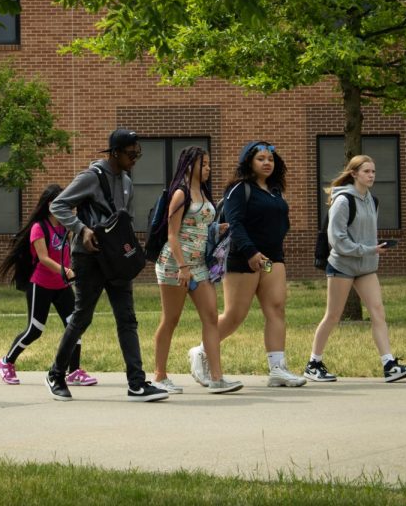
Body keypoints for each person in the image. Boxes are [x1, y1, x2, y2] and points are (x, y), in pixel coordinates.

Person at [45, 129, 168, 402]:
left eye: (138, 153)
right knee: (81, 318)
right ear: (115, 153)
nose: (136, 158)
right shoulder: (91, 177)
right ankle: (56, 374)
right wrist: (81, 229)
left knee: (127, 319)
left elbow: (125, 220)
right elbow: (59, 206)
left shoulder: (126, 181)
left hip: (115, 260)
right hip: (88, 259)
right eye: (131, 153)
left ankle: (137, 383)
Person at [189, 141, 307, 388]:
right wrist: (251, 252)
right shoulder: (239, 189)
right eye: (261, 159)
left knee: (276, 308)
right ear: (249, 162)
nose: (267, 163)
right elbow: (235, 224)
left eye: (270, 159)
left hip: (271, 260)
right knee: (235, 316)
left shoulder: (275, 191)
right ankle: (200, 352)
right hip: (243, 259)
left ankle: (278, 369)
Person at [304, 155, 406, 383]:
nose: (372, 175)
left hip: (366, 267)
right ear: (354, 174)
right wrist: (368, 249)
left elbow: (366, 235)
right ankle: (313, 363)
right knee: (333, 315)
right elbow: (336, 240)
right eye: (367, 171)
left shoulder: (372, 201)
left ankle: (389, 365)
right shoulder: (343, 201)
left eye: (374, 172)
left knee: (378, 312)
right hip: (342, 265)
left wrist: (372, 249)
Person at [153, 146, 242, 394]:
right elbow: (172, 235)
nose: (208, 169)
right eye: (204, 164)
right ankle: (159, 376)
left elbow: (200, 225)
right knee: (171, 320)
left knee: (211, 316)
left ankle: (216, 377)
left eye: (209, 164)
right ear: (190, 165)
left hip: (200, 265)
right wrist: (182, 267)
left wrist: (217, 229)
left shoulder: (202, 192)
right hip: (175, 264)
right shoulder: (180, 194)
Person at [0, 184, 97, 387]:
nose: (68, 206)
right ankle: (6, 362)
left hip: (61, 285)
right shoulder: (38, 228)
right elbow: (43, 258)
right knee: (35, 329)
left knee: (74, 326)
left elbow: (67, 253)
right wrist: (65, 270)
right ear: (51, 204)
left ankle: (74, 371)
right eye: (64, 202)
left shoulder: (65, 227)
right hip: (40, 285)